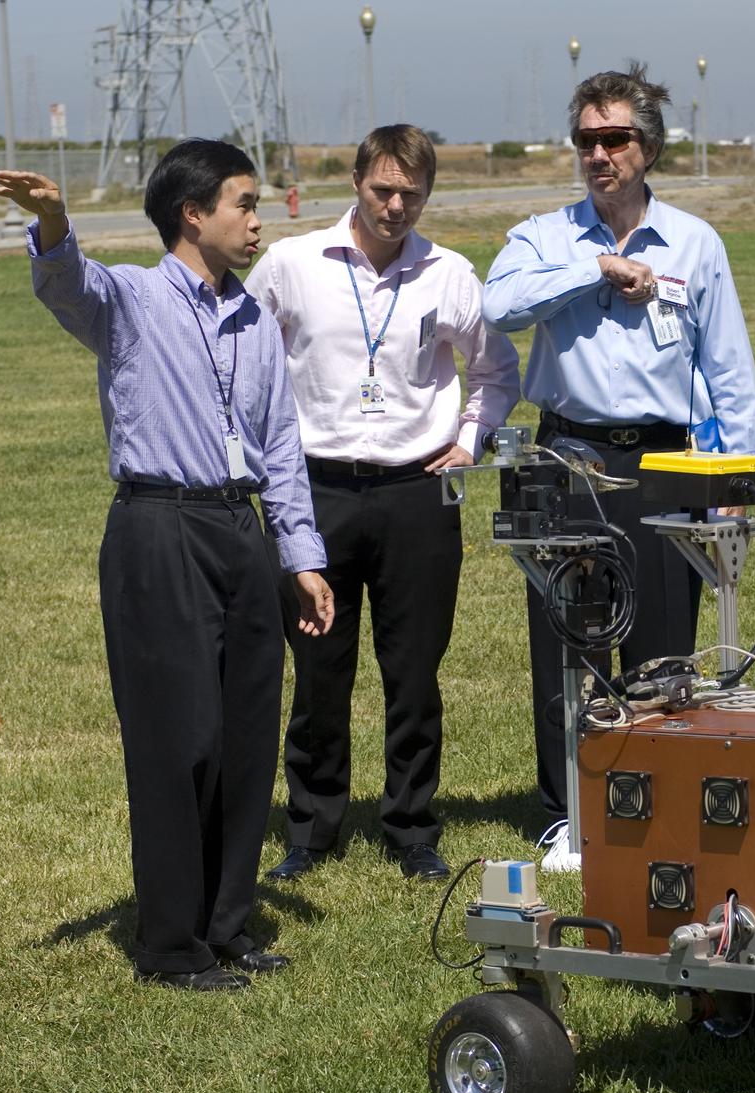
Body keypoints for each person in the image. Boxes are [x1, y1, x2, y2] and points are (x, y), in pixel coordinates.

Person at [0, 143, 334, 991]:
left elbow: (281, 447)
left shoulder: (254, 318)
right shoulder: (135, 299)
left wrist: (302, 557)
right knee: (179, 738)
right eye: (243, 204)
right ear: (193, 213)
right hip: (158, 528)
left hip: (238, 531)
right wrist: (55, 220)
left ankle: (227, 922)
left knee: (248, 737)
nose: (258, 221)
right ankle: (171, 946)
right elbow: (70, 282)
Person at [483, 63, 755, 868]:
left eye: (615, 139)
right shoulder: (545, 236)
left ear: (649, 147)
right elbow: (498, 305)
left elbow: (730, 368)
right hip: (564, 455)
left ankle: (658, 798)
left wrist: (735, 484)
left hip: (666, 456)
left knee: (663, 644)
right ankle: (568, 812)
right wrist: (596, 268)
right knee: (568, 642)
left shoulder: (695, 242)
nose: (599, 154)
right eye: (586, 140)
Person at [248, 125, 521, 884]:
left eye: (412, 194)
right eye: (383, 190)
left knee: (414, 672)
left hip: (416, 491)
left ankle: (412, 827)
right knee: (318, 667)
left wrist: (470, 438)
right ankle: (312, 825)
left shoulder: (450, 275)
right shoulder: (292, 266)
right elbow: (244, 357)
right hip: (317, 488)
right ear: (357, 181)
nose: (396, 206)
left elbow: (497, 370)